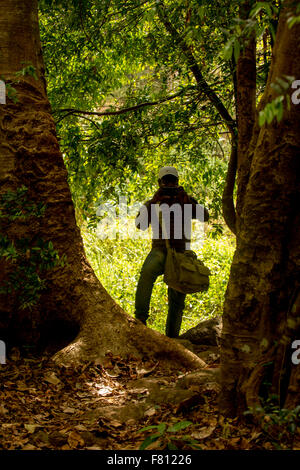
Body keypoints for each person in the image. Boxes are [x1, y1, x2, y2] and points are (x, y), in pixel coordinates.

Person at [134, 166, 209, 338]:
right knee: (146, 274)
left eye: (172, 180)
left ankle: (172, 338)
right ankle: (140, 322)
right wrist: (154, 202)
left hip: (181, 252)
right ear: (160, 183)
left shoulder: (186, 200)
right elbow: (140, 225)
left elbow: (205, 216)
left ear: (177, 182)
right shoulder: (154, 202)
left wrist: (189, 202)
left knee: (177, 296)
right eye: (165, 181)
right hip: (160, 249)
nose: (169, 183)